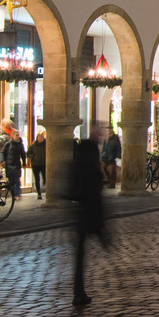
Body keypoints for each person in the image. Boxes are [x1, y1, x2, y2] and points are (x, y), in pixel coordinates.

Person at [68, 130, 106, 305]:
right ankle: (79, 291)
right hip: (89, 214)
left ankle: (79, 291)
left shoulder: (76, 164)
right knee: (82, 255)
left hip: (79, 215)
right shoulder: (91, 167)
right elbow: (95, 192)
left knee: (80, 255)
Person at [0, 120, 25, 200]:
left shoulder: (20, 145)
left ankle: (16, 193)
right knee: (11, 180)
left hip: (16, 164)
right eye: (16, 135)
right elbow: (2, 152)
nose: (18, 136)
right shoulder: (8, 144)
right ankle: (13, 193)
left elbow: (23, 154)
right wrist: (2, 160)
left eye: (18, 135)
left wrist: (24, 163)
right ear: (13, 136)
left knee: (17, 179)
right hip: (9, 165)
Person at [27, 130, 47, 199]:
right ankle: (39, 193)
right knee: (37, 179)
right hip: (35, 164)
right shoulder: (33, 145)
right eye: (39, 137)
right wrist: (33, 157)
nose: (40, 139)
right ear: (37, 138)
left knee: (45, 177)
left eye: (42, 137)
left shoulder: (46, 145)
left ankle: (45, 186)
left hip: (43, 164)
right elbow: (28, 153)